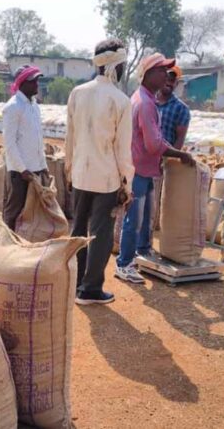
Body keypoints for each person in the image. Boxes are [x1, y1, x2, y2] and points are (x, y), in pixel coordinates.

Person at [115, 53, 195, 284]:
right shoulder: (146, 103)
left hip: (144, 168)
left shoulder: (142, 98)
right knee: (134, 219)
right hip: (140, 168)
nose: (166, 77)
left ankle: (141, 252)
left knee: (144, 217)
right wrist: (180, 154)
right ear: (149, 74)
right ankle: (124, 264)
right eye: (162, 72)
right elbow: (153, 144)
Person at [65, 39, 134, 305]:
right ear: (116, 65)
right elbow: (122, 150)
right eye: (123, 65)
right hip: (106, 179)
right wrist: (127, 186)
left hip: (80, 174)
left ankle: (75, 283)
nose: (124, 69)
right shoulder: (121, 101)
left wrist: (69, 171)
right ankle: (91, 289)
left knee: (78, 229)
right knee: (101, 234)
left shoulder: (77, 93)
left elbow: (70, 139)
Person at [2, 64, 48, 231]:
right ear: (22, 83)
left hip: (35, 169)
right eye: (32, 81)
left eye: (37, 81)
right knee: (14, 210)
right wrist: (22, 169)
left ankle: (25, 241)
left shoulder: (34, 106)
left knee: (32, 211)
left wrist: (43, 166)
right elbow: (9, 143)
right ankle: (7, 239)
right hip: (20, 172)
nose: (36, 85)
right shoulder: (13, 107)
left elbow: (38, 139)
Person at [157, 65, 191, 149]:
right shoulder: (149, 102)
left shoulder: (182, 109)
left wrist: (171, 156)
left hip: (167, 154)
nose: (168, 83)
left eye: (172, 80)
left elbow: (180, 139)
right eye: (166, 79)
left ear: (176, 83)